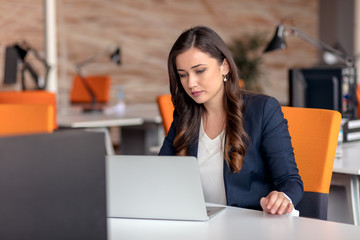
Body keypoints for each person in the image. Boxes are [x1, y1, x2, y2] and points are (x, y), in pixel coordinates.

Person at [159, 26, 303, 215]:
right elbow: (160, 175)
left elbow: (289, 180)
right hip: (198, 224)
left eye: (200, 71)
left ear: (224, 66)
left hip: (249, 226)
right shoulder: (184, 116)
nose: (190, 83)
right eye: (183, 75)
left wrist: (283, 197)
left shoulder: (263, 110)